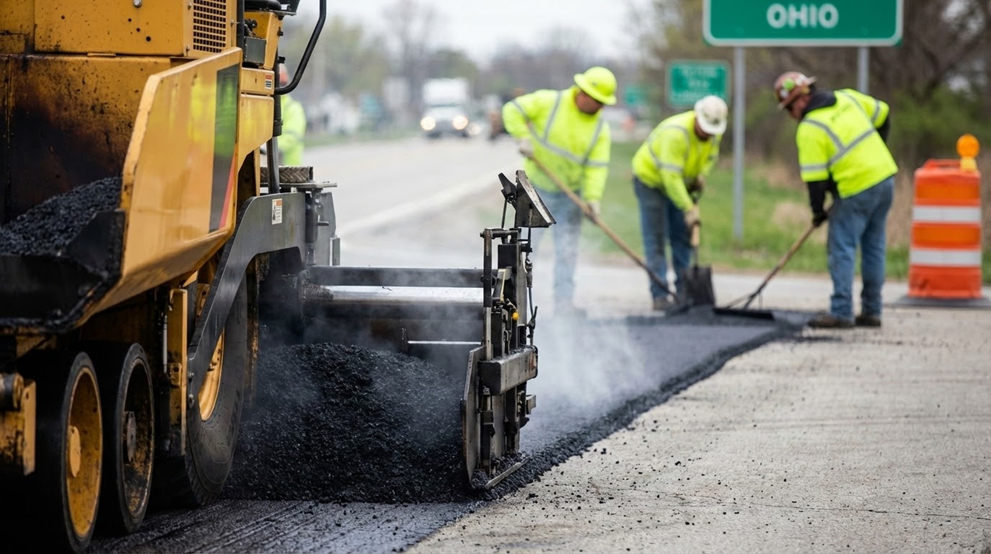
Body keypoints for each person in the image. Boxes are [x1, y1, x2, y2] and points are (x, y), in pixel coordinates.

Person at [774, 71, 897, 328]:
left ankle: (841, 311)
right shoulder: (847, 98)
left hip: (856, 187)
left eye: (788, 109)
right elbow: (883, 114)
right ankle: (872, 310)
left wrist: (817, 212)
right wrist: (878, 150)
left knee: (842, 247)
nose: (791, 115)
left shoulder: (810, 128)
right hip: (885, 177)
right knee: (874, 246)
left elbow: (815, 181)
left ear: (799, 101)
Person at [501, 66, 616, 316]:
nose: (601, 107)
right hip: (536, 191)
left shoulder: (600, 129)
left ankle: (564, 304)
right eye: (599, 101)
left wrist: (592, 199)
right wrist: (522, 136)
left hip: (569, 196)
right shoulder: (550, 102)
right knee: (524, 248)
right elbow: (512, 109)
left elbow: (596, 168)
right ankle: (513, 303)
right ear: (584, 93)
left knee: (567, 251)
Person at [631, 95, 728, 310]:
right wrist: (688, 208)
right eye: (705, 129)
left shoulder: (713, 133)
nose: (708, 134)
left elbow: (710, 157)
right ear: (696, 117)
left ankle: (685, 292)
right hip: (651, 182)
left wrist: (701, 175)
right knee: (656, 240)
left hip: (680, 182)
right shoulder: (676, 133)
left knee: (681, 236)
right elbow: (670, 178)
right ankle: (660, 295)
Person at [278, 63, 306, 166]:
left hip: (288, 169)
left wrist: (267, 148)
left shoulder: (293, 108)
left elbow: (292, 136)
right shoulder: (264, 105)